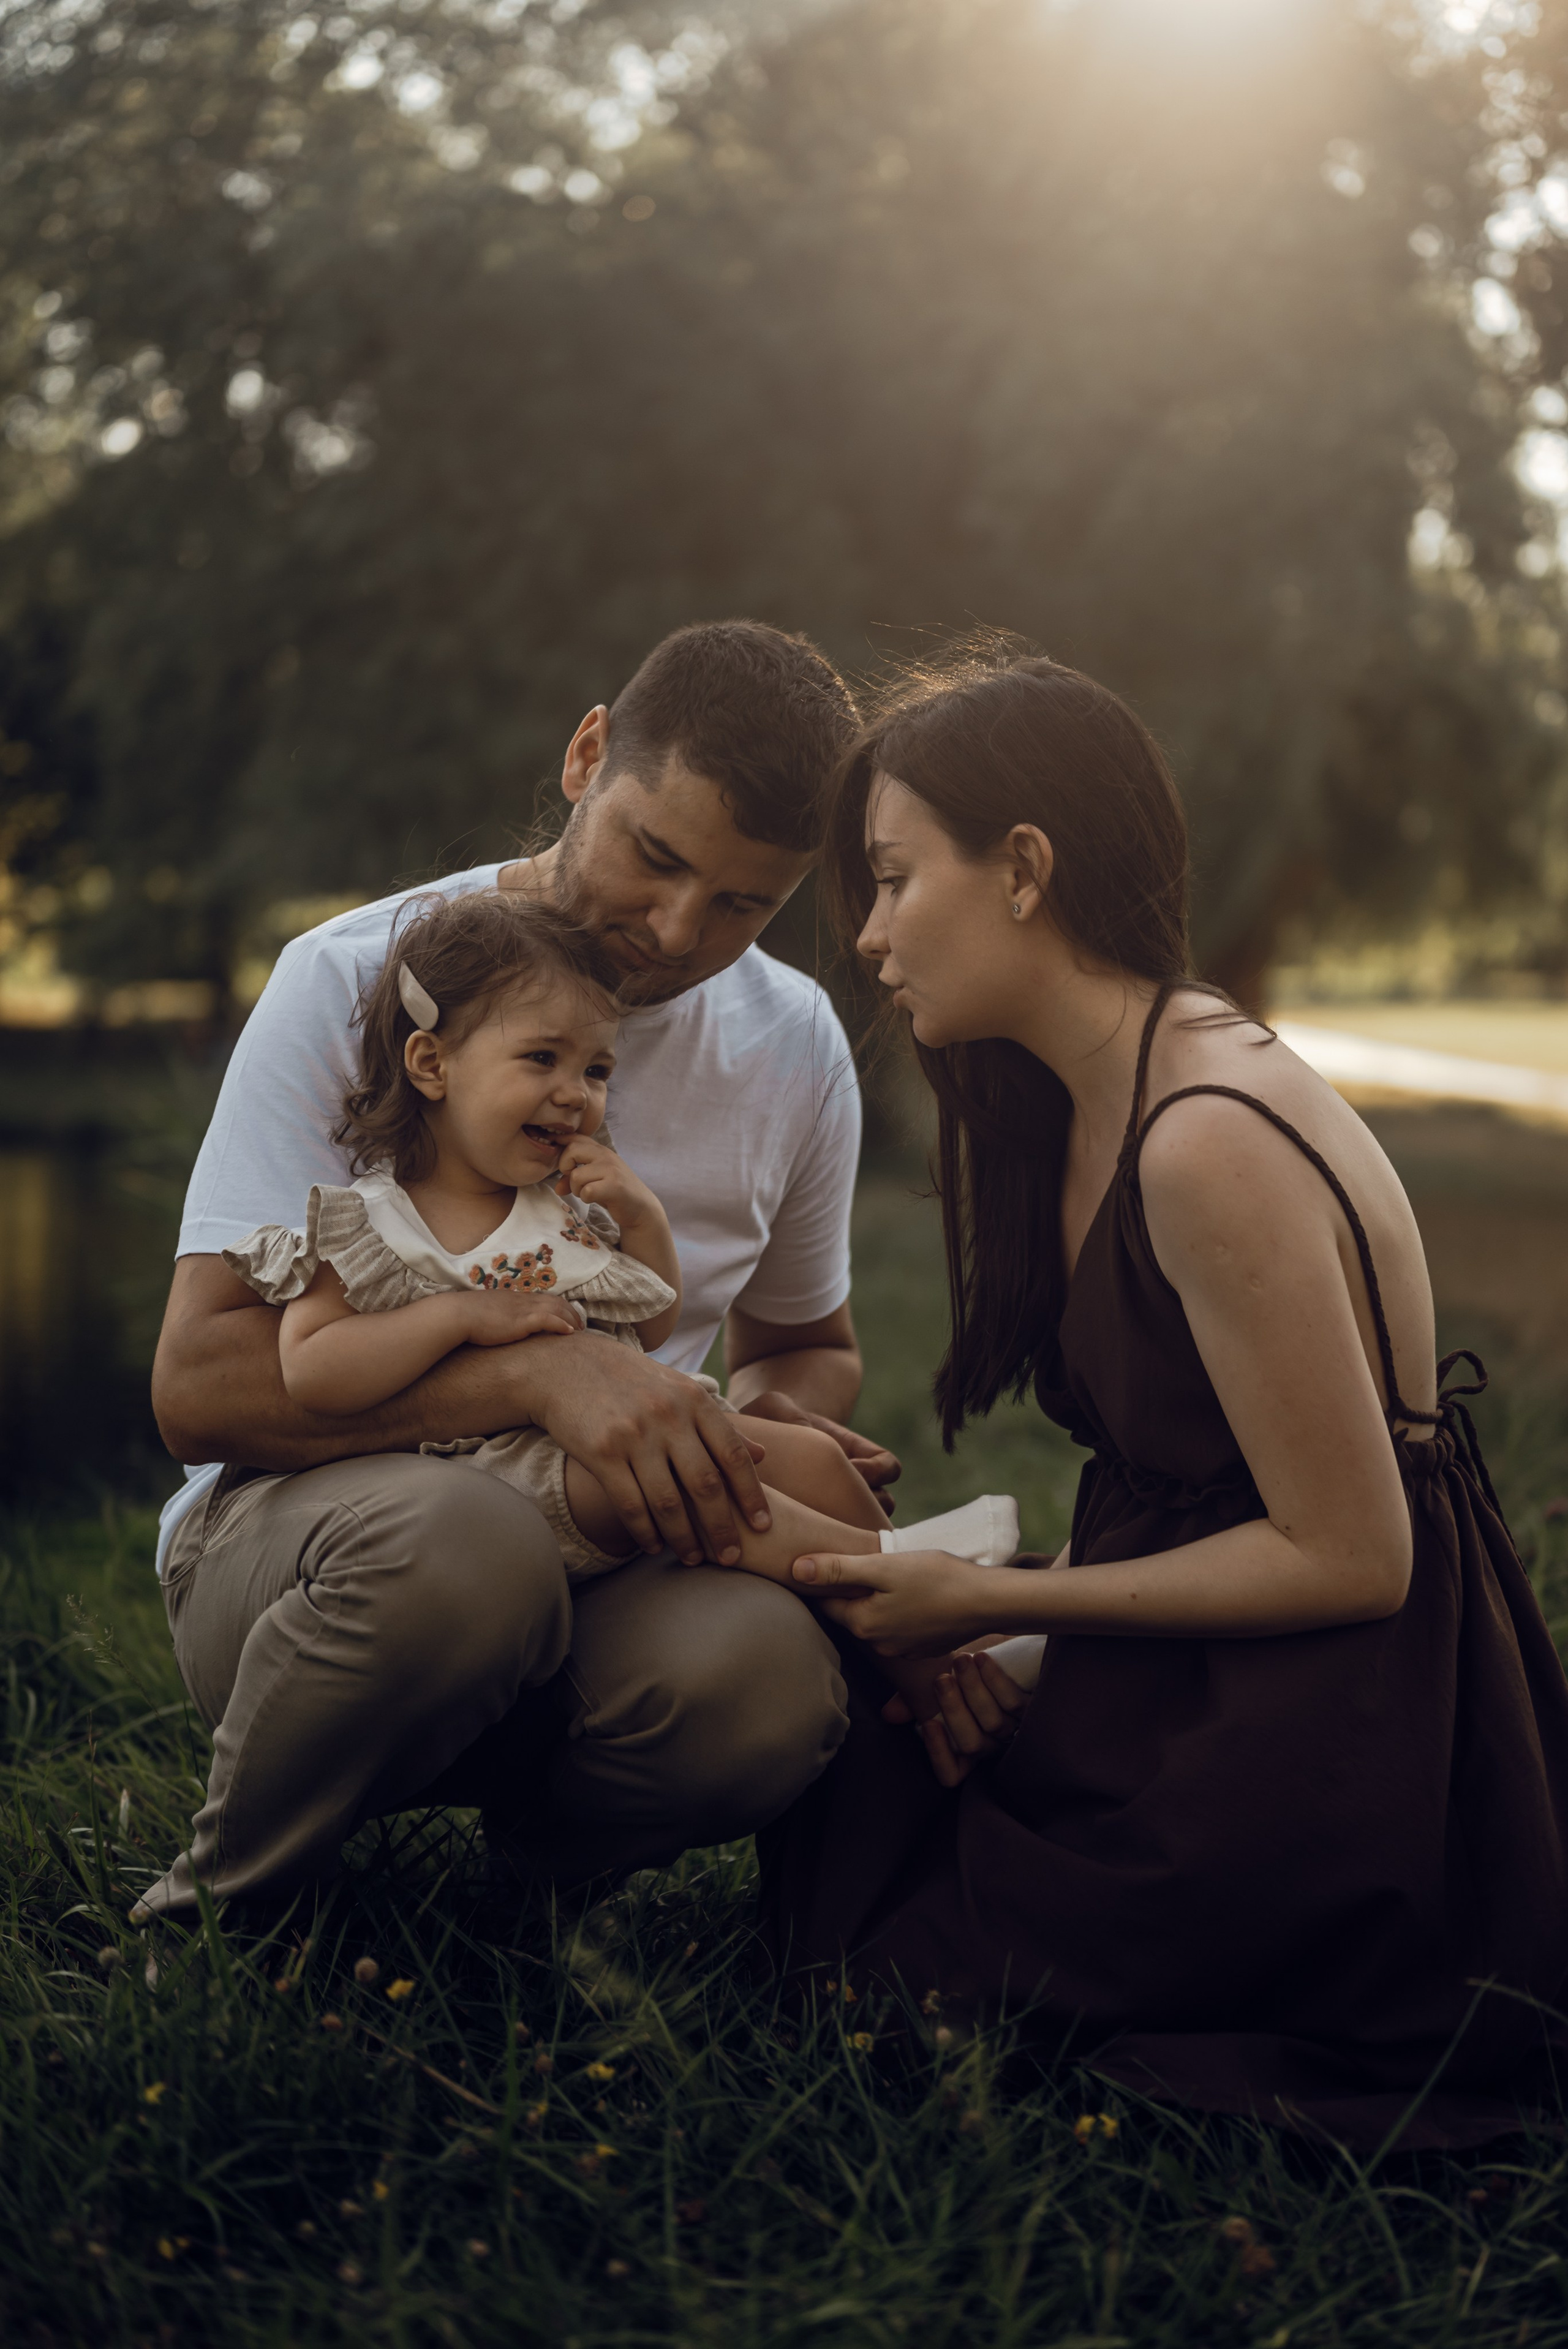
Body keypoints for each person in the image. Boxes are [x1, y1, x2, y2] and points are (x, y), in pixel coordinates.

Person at [757, 644, 1568, 2149]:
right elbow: (1213, 1493)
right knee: (865, 1746)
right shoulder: (1095, 1094)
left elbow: (1352, 1554)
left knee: (894, 1953)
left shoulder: (1205, 1139)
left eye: (889, 877)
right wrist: (1006, 1610)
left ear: (1022, 869)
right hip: (1210, 1667)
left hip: (1332, 1734)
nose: (865, 935)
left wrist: (1005, 1607)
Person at [140, 620, 903, 1922]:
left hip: (607, 1550)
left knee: (766, 1684)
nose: (672, 928)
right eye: (653, 856)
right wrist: (549, 1374)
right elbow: (201, 1389)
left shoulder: (793, 1042)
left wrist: (766, 1415)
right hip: (323, 1560)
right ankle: (224, 1910)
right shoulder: (357, 984)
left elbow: (801, 1339)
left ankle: (510, 1913)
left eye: (740, 903)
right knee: (464, 1547)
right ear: (585, 754)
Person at [219, 883, 1011, 1592]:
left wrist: (645, 1223)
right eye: (541, 1059)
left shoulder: (559, 1212)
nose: (575, 1096)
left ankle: (934, 1650)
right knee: (702, 1484)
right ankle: (905, 1573)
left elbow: (650, 1325)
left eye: (597, 1072)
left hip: (609, 1438)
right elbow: (313, 1369)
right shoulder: (369, 1224)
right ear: (432, 1063)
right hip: (496, 1478)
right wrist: (460, 1318)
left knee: (808, 1461)